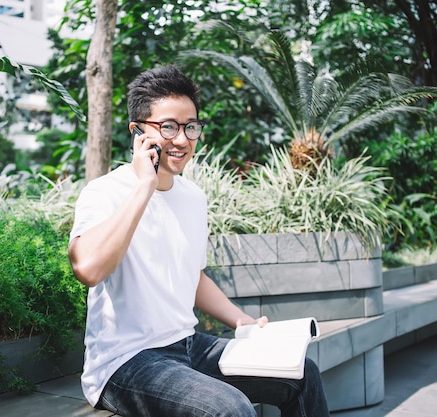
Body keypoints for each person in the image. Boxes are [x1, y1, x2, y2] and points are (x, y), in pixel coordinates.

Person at [68, 65, 330, 417]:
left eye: (190, 126)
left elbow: (191, 276)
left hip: (189, 347)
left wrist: (240, 320)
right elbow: (88, 268)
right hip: (125, 362)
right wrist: (144, 186)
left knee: (302, 374)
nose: (182, 139)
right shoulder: (104, 193)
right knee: (230, 409)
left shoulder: (192, 197)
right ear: (137, 132)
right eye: (168, 127)